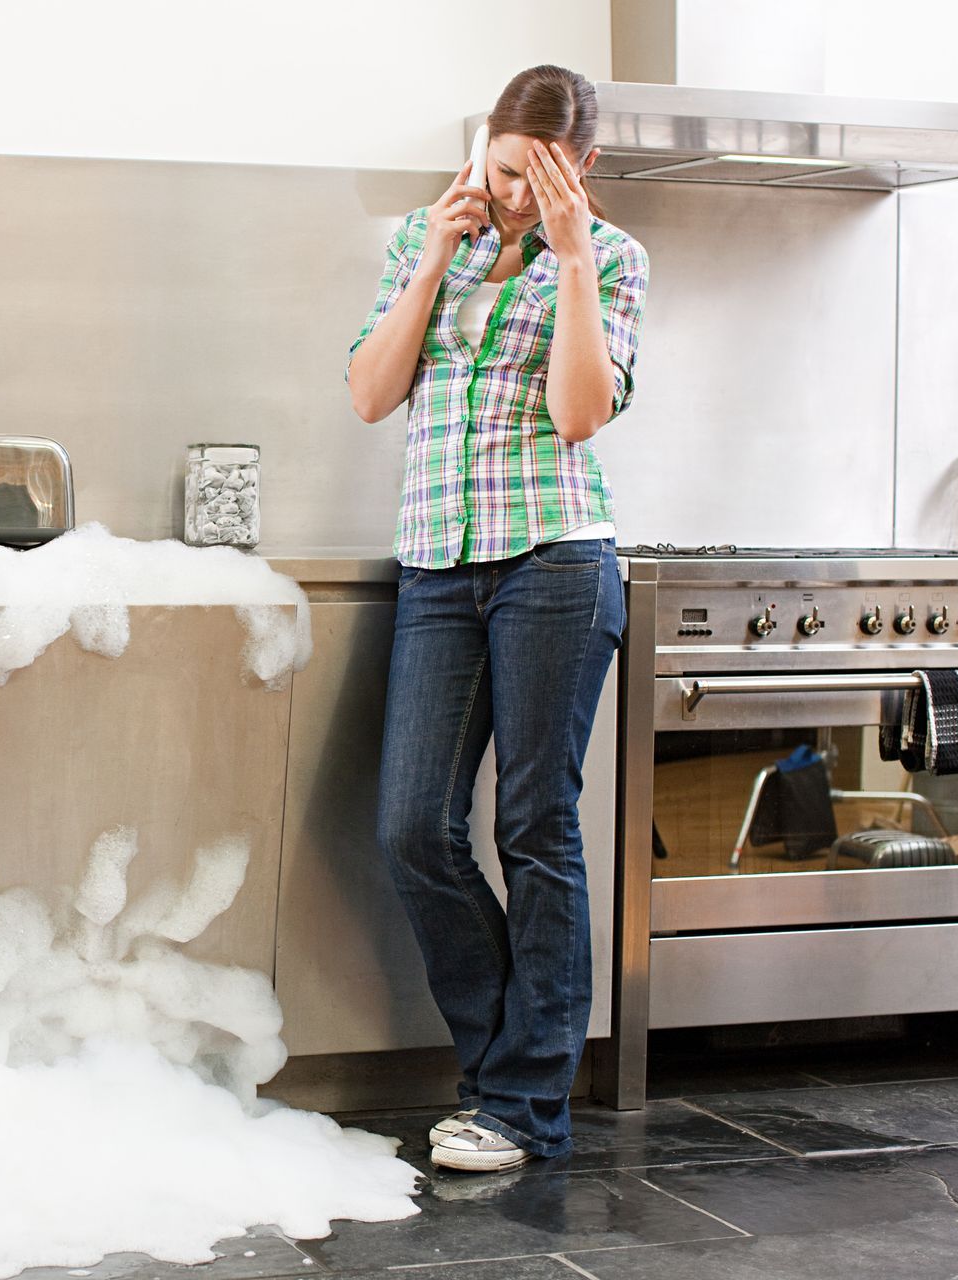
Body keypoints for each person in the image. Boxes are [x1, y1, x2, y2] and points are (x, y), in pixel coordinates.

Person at [344, 65, 648, 1174]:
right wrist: (431, 254)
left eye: (542, 176)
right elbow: (374, 392)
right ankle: (502, 1070)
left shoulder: (611, 260)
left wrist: (567, 254)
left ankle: (523, 1104)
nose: (517, 194)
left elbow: (579, 412)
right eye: (505, 168)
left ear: (585, 170)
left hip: (554, 562)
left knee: (534, 824)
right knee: (413, 826)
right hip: (437, 564)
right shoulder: (435, 245)